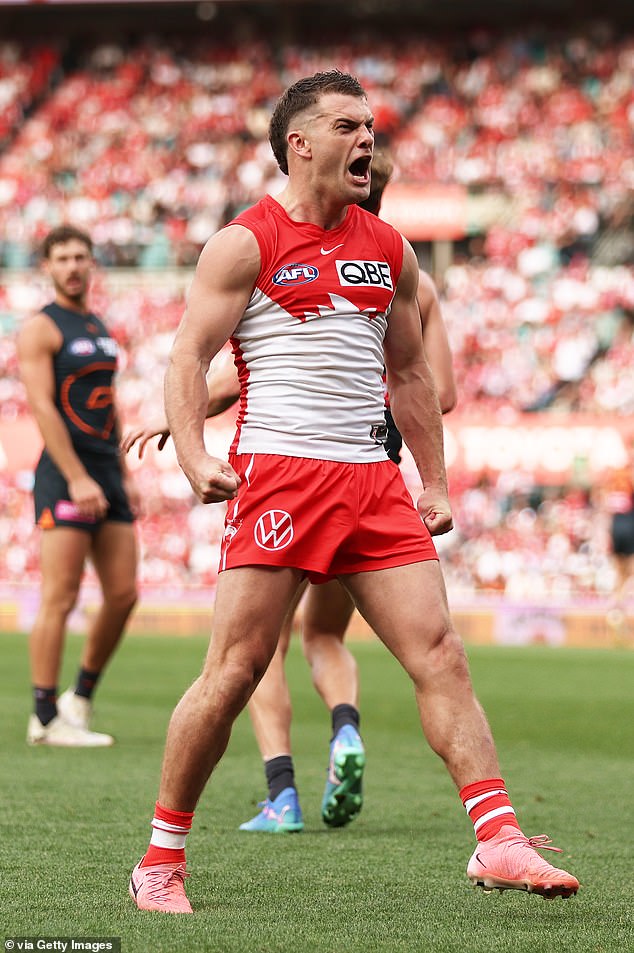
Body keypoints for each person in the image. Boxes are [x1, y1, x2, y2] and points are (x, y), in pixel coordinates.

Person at [128, 71, 579, 914]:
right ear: (300, 144)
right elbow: (187, 356)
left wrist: (434, 480)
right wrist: (194, 455)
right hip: (279, 476)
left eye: (371, 125)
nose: (366, 138)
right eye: (347, 126)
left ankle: (499, 838)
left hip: (372, 484)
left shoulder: (390, 246)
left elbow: (408, 372)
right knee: (234, 671)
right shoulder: (242, 242)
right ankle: (161, 857)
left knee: (439, 652)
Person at [122, 150, 458, 834]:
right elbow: (437, 389)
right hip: (374, 475)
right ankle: (345, 730)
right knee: (329, 637)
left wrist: (192, 417)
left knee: (256, 653)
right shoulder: (409, 277)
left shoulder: (344, 260)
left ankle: (283, 792)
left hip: (296, 479)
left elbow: (263, 368)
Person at [17, 224, 139, 747]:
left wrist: (123, 476)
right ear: (47, 266)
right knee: (60, 596)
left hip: (106, 473)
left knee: (124, 594)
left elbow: (107, 402)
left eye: (80, 257)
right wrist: (75, 477)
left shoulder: (99, 325)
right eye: (62, 257)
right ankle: (44, 717)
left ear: (92, 265)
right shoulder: (41, 328)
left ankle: (80, 698)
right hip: (65, 476)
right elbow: (43, 406)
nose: (72, 266)